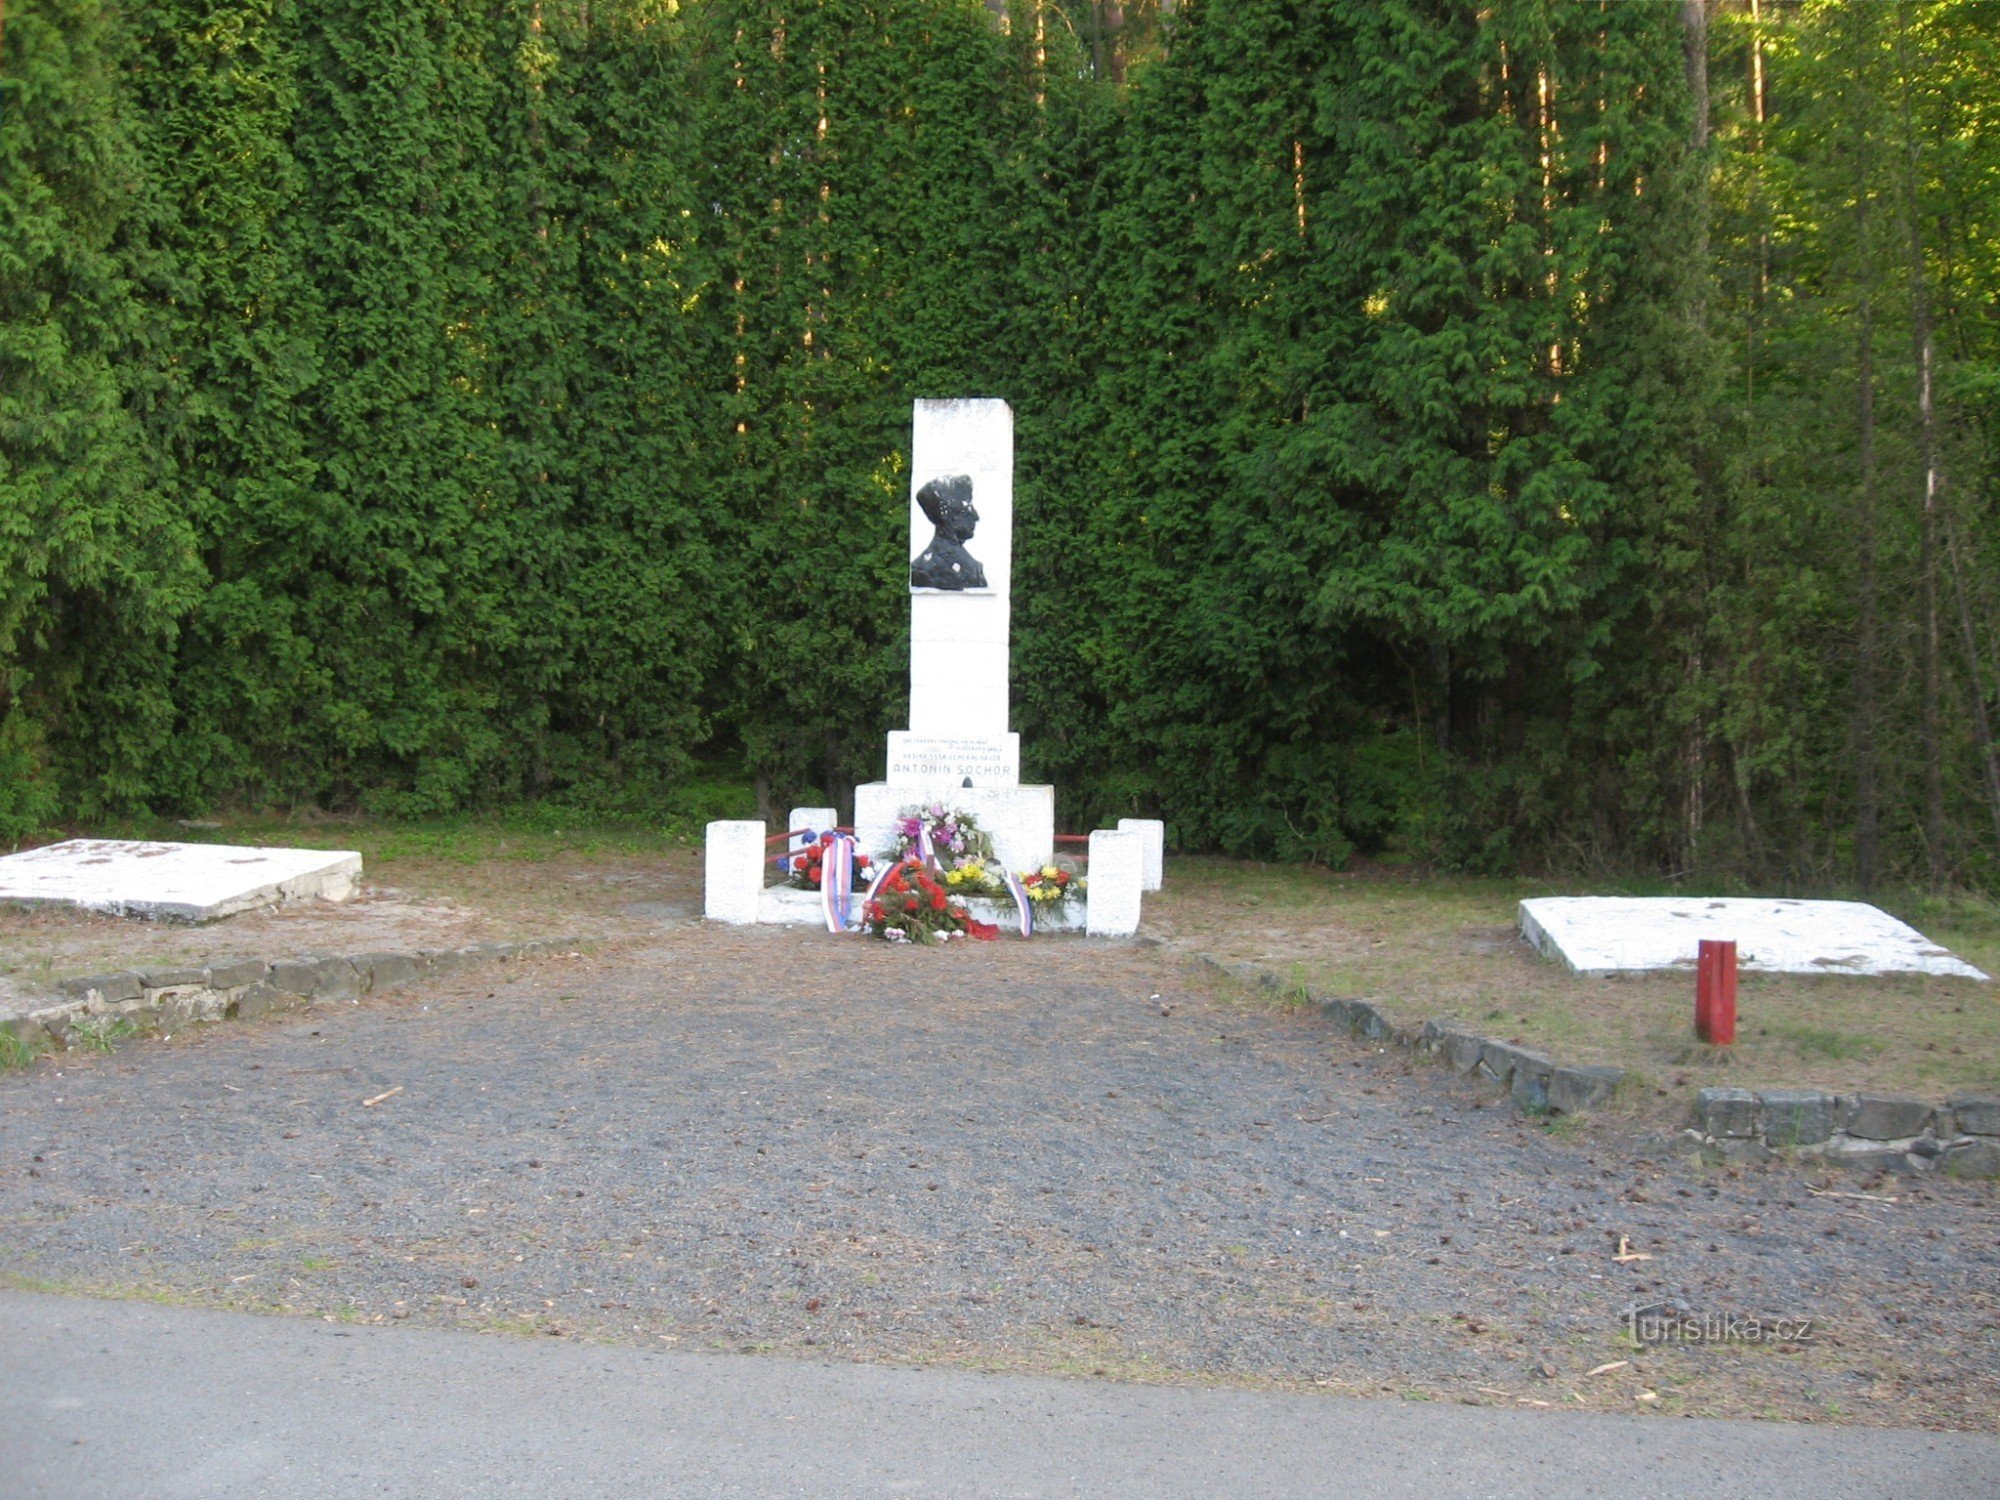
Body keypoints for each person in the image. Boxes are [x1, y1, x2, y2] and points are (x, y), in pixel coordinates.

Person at [909, 474, 987, 590]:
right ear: (948, 517)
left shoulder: (972, 567)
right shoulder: (925, 568)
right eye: (966, 510)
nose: (976, 517)